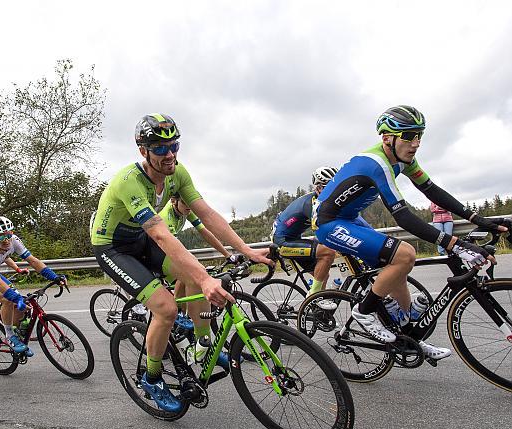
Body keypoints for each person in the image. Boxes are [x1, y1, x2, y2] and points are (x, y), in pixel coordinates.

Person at [90, 113, 271, 413]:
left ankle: (203, 345)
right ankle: (151, 377)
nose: (169, 154)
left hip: (141, 239)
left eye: (174, 145)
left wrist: (245, 249)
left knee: (191, 274)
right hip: (113, 247)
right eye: (160, 149)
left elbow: (207, 214)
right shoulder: (129, 181)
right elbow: (161, 234)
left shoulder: (178, 172)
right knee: (167, 308)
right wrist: (205, 280)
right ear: (143, 151)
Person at [314, 105, 507, 360]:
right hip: (329, 223)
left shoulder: (404, 160)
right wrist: (456, 245)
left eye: (419, 135)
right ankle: (364, 311)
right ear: (387, 138)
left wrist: (478, 218)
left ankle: (408, 338)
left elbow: (432, 190)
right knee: (405, 254)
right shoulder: (376, 164)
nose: (415, 143)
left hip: (350, 218)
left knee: (398, 271)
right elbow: (402, 216)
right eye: (408, 136)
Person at [0, 216, 66, 356]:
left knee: (20, 303)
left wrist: (54, 277)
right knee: (8, 298)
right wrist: (14, 297)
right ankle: (9, 336)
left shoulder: (14, 241)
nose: (5, 240)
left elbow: (33, 261)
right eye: (0, 237)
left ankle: (15, 332)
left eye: (8, 235)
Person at [271, 167, 340, 302]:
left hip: (293, 238)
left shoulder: (322, 201)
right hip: (282, 241)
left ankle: (317, 313)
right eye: (328, 188)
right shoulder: (312, 204)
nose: (333, 191)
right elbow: (322, 231)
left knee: (322, 275)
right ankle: (312, 297)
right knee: (328, 252)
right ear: (318, 188)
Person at [159, 193, 235, 315]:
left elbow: (205, 232)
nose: (188, 206)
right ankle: (178, 312)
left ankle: (181, 312)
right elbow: (174, 248)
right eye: (184, 202)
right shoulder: (166, 216)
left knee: (189, 274)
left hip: (167, 247)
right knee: (186, 271)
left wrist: (227, 254)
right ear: (174, 201)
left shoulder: (187, 210)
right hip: (156, 248)